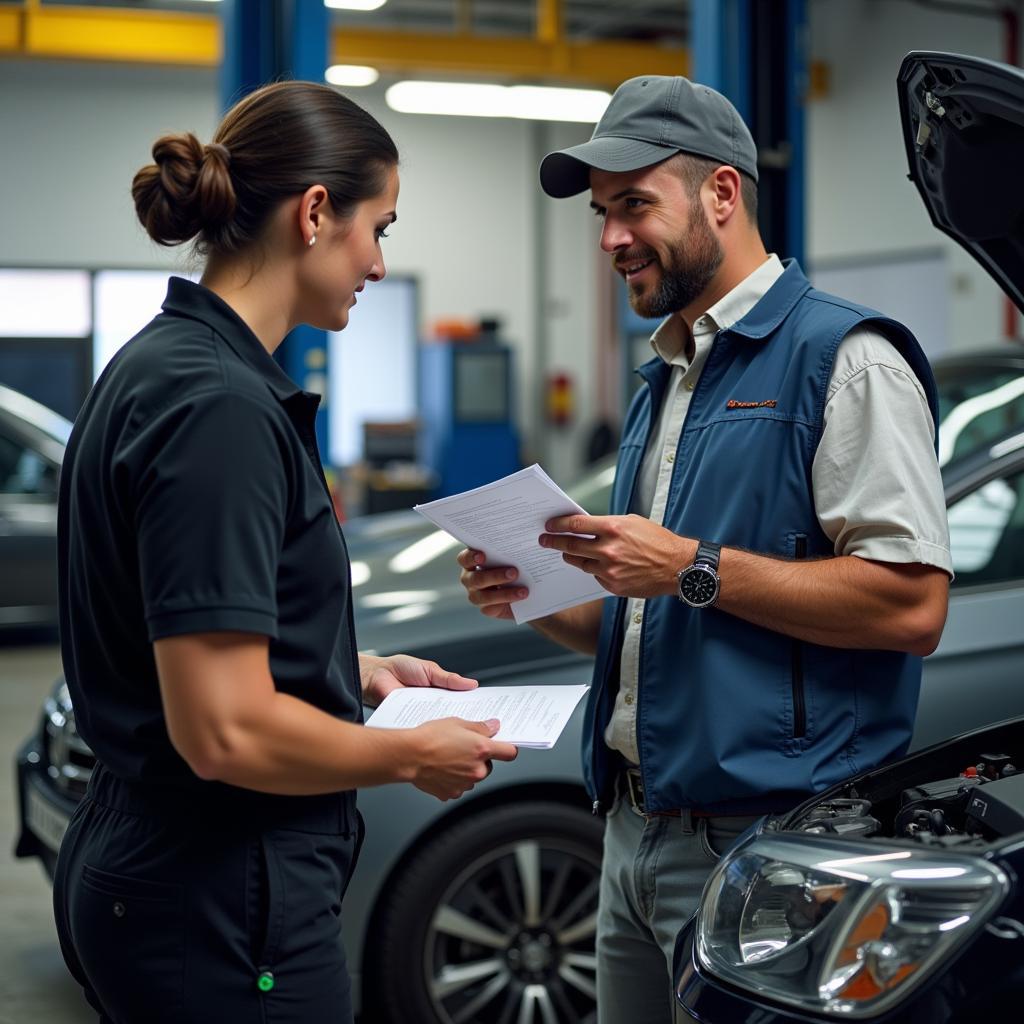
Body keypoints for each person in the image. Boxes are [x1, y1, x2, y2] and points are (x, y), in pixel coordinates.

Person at [457, 75, 951, 1023]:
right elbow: (659, 620)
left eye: (634, 205)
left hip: (770, 850)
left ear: (721, 194)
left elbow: (910, 607)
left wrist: (691, 562)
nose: (609, 239)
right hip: (630, 836)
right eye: (603, 214)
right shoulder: (667, 379)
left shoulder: (846, 361)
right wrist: (534, 594)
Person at [53, 80, 517, 1024]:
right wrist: (407, 756)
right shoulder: (218, 407)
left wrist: (346, 669)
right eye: (378, 228)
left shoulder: (160, 365)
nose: (380, 264)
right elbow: (221, 730)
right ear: (314, 214)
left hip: (167, 871)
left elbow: (180, 642)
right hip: (218, 896)